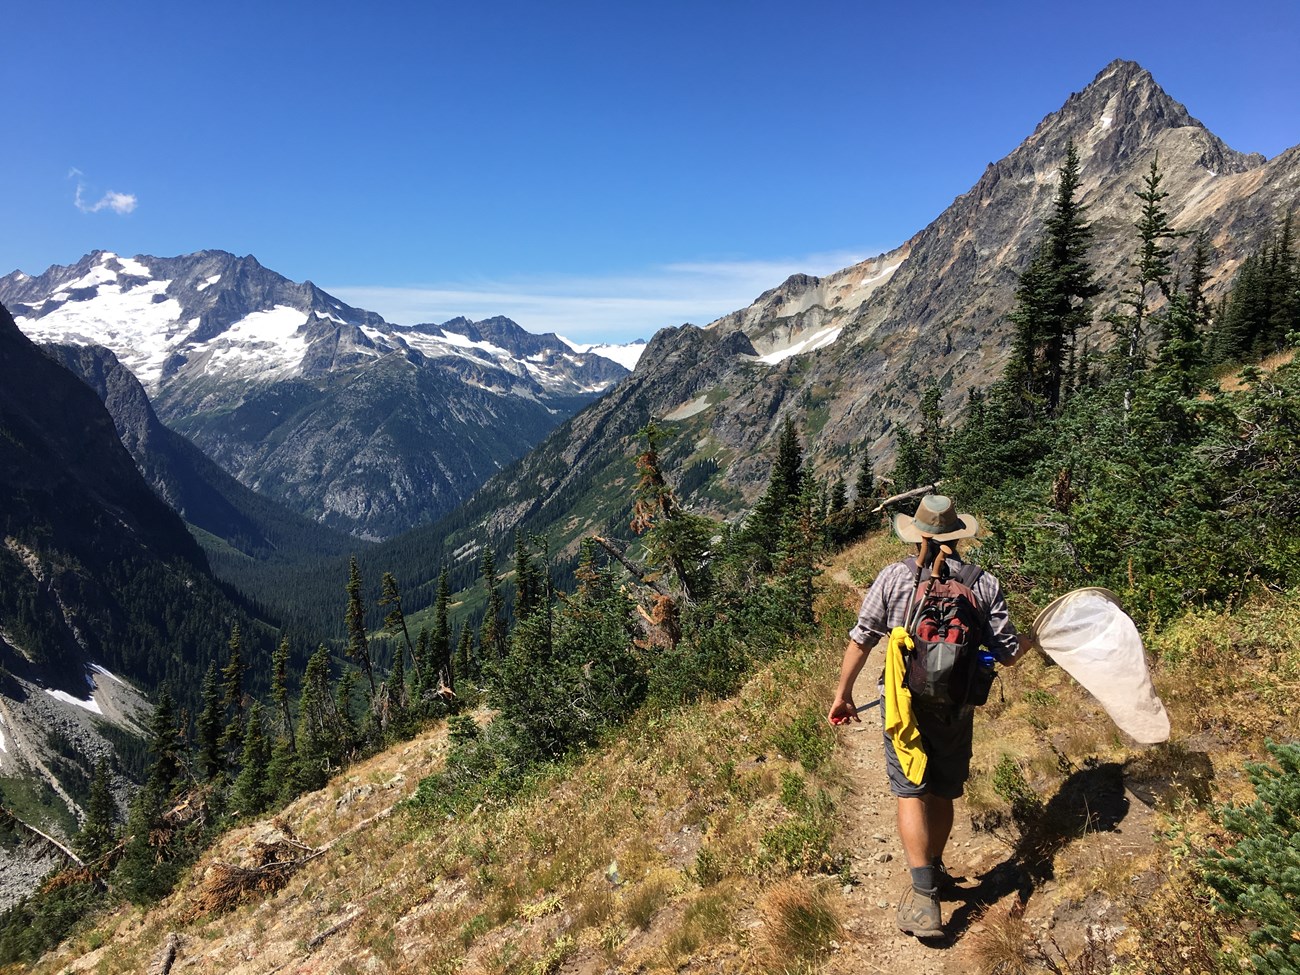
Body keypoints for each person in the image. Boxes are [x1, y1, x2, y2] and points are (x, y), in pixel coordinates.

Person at [828, 494, 1033, 939]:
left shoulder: (893, 578)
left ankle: (924, 897)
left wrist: (843, 695)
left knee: (909, 790)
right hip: (956, 703)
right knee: (942, 788)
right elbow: (1009, 653)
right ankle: (935, 868)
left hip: (902, 702)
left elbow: (862, 638)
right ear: (959, 535)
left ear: (918, 533)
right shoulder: (983, 584)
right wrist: (1035, 636)